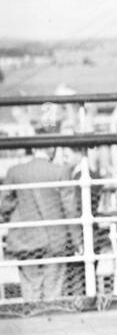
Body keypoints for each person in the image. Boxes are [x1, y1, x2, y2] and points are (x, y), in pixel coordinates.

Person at [0, 129, 80, 302]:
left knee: (30, 290)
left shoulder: (15, 172)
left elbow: (3, 204)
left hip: (24, 239)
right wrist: (78, 241)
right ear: (51, 148)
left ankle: (32, 323)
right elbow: (70, 210)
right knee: (54, 291)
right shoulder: (61, 172)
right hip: (55, 240)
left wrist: (19, 207)